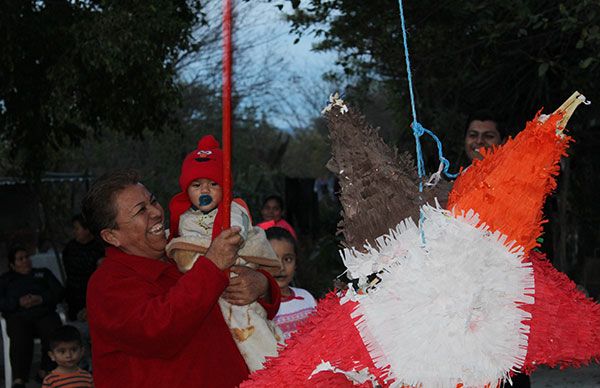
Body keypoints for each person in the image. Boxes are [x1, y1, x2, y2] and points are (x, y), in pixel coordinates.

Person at [83, 170, 281, 387]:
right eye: (141, 211)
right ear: (112, 236)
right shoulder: (107, 284)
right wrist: (212, 265)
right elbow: (159, 330)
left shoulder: (181, 248)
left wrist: (261, 285)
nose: (156, 212)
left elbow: (245, 312)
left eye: (153, 201)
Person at [166, 135, 283, 372]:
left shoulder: (235, 209)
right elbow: (188, 250)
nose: (205, 190)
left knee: (260, 345)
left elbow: (236, 239)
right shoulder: (185, 220)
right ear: (186, 189)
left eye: (213, 184)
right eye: (196, 185)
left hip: (239, 291)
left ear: (225, 186)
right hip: (211, 303)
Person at [464, 112, 530, 388]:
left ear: (501, 142)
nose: (479, 141)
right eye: (473, 135)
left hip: (503, 296)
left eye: (488, 135)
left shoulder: (517, 182)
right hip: (463, 299)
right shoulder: (455, 181)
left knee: (508, 371)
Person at [0, 246, 64, 387]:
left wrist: (40, 298)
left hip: (43, 313)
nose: (25, 261)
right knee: (19, 336)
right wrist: (17, 302)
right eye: (20, 259)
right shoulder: (6, 279)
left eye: (27, 257)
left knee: (53, 330)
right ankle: (19, 378)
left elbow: (58, 292)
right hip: (18, 315)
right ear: (12, 264)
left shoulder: (43, 273)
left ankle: (45, 370)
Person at [267, 227, 316, 340]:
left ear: (296, 263)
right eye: (272, 259)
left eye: (287, 259)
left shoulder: (306, 298)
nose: (281, 267)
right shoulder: (259, 308)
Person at [62, 214, 104, 322]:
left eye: (77, 228)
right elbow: (72, 271)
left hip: (99, 294)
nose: (74, 232)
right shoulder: (70, 249)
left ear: (87, 229)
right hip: (77, 294)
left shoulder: (100, 247)